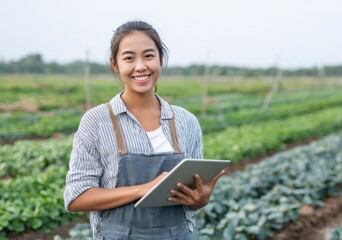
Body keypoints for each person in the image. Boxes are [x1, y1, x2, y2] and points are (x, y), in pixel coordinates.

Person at [64, 20, 225, 240]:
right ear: (115, 63)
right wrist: (143, 189)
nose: (140, 66)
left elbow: (191, 200)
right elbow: (76, 198)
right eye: (129, 58)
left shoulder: (186, 121)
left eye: (149, 56)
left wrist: (200, 200)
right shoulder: (96, 121)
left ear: (160, 59)